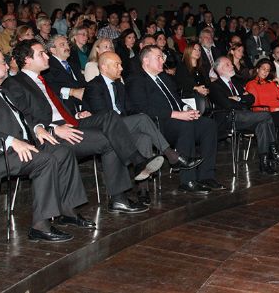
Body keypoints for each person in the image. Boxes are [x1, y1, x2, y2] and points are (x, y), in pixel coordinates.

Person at [2, 40, 163, 214]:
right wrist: (52, 128)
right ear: (27, 60)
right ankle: (123, 191)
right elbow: (22, 116)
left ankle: (136, 165)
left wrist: (76, 115)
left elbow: (54, 107)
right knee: (110, 139)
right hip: (50, 133)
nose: (47, 55)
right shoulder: (15, 83)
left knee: (109, 116)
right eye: (41, 53)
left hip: (70, 122)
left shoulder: (42, 80)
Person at [0, 47, 92, 242]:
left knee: (62, 151)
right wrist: (11, 141)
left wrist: (38, 129)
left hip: (20, 144)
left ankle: (67, 210)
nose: (6, 65)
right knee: (45, 161)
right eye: (2, 63)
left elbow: (23, 118)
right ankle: (40, 226)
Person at [83, 52, 204, 204]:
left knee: (144, 135)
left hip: (122, 126)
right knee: (141, 119)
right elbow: (102, 115)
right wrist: (134, 119)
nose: (121, 68)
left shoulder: (119, 86)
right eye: (117, 65)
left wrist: (135, 118)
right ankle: (172, 156)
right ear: (104, 67)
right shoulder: (94, 86)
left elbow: (130, 109)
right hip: (106, 129)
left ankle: (143, 189)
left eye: (121, 64)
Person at [126, 45, 222, 195]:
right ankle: (187, 180)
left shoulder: (164, 77)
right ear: (145, 60)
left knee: (208, 125)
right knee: (186, 125)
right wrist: (176, 114)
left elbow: (177, 100)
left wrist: (186, 109)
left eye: (162, 57)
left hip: (177, 119)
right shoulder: (137, 80)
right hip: (158, 125)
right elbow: (141, 110)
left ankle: (206, 176)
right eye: (158, 57)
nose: (162, 60)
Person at [209, 56, 279, 174]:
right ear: (220, 68)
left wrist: (238, 98)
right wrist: (243, 100)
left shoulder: (235, 83)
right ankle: (274, 152)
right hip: (229, 118)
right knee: (266, 115)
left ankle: (264, 164)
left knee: (262, 124)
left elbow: (251, 99)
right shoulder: (215, 86)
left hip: (245, 116)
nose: (232, 66)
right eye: (228, 64)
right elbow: (227, 105)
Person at [175, 43, 211, 113]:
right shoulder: (182, 67)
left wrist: (207, 90)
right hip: (189, 95)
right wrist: (196, 88)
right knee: (201, 100)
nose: (198, 52)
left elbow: (208, 83)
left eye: (199, 50)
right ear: (188, 51)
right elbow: (180, 84)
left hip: (203, 96)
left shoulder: (202, 68)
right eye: (195, 49)